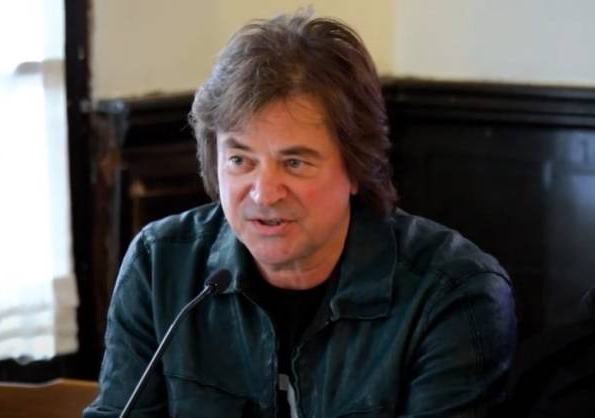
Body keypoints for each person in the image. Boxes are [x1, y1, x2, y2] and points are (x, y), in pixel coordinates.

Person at [84, 9, 516, 418]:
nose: (264, 193)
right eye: (240, 160)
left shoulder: (452, 294)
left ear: (356, 168)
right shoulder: (160, 264)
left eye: (294, 163)